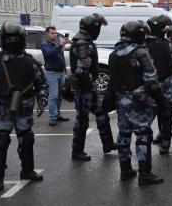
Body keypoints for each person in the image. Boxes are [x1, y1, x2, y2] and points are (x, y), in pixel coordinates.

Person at [0, 23, 48, 191]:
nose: (12, 41)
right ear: (3, 40)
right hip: (1, 107)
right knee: (1, 141)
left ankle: (27, 170)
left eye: (15, 38)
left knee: (27, 139)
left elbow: (41, 84)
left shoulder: (30, 61)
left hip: (24, 108)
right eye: (9, 39)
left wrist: (42, 100)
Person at [108, 21, 164, 185]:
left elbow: (113, 81)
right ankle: (145, 174)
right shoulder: (140, 52)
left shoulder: (114, 53)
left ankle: (125, 169)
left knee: (124, 134)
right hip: (138, 101)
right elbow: (151, 80)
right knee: (143, 135)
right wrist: (163, 102)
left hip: (121, 100)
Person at [70, 14, 117, 161]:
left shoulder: (84, 40)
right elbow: (81, 70)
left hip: (87, 87)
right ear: (93, 28)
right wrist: (90, 86)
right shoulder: (83, 43)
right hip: (84, 88)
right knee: (82, 120)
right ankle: (77, 151)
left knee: (102, 113)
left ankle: (108, 144)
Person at [145, 15, 172, 154]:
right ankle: (151, 140)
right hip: (152, 85)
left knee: (166, 112)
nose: (165, 30)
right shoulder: (144, 44)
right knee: (151, 114)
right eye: (163, 27)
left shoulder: (167, 43)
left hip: (166, 83)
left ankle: (165, 140)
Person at [41, 26, 70, 126]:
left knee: (60, 96)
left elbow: (60, 57)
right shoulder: (45, 45)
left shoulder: (56, 44)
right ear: (47, 34)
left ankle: (57, 115)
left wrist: (64, 70)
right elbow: (49, 54)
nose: (55, 35)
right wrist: (60, 45)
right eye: (52, 33)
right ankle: (53, 117)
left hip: (61, 73)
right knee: (53, 96)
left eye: (55, 33)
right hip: (52, 73)